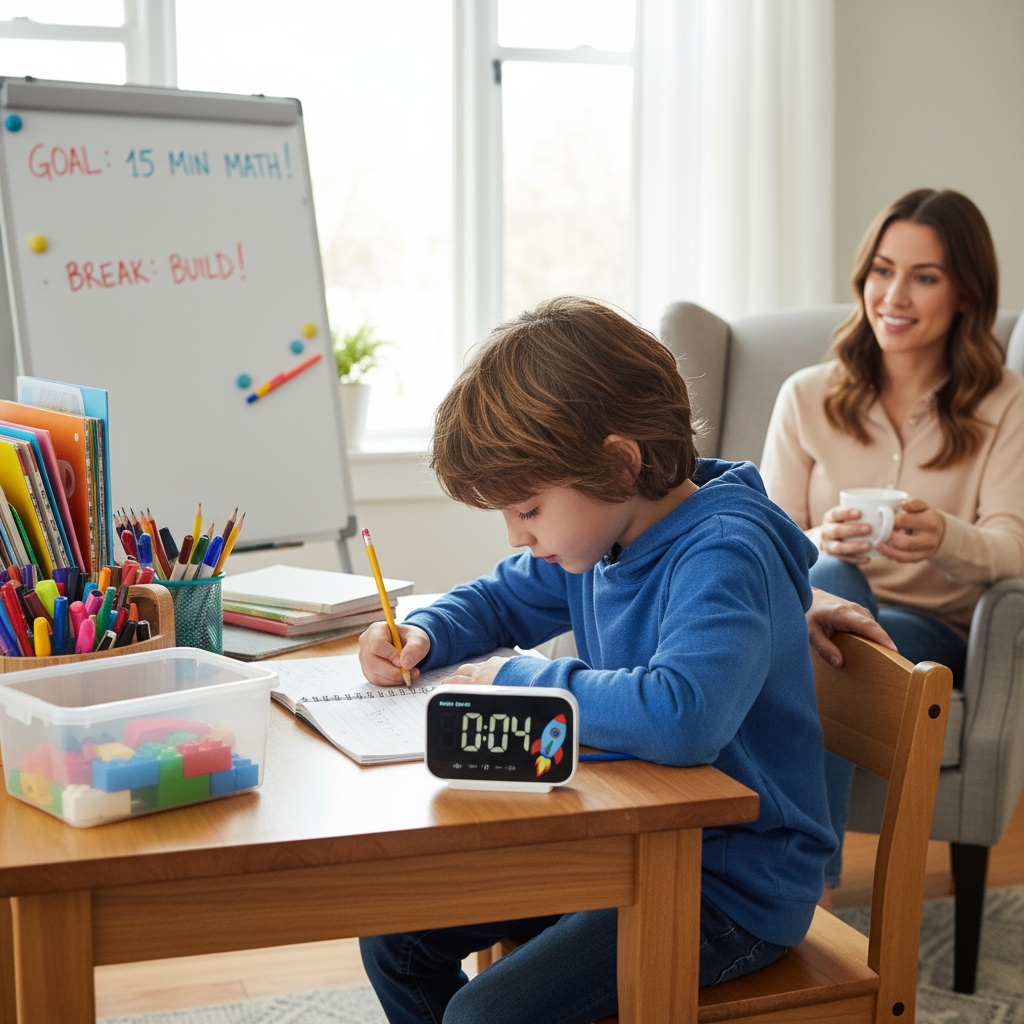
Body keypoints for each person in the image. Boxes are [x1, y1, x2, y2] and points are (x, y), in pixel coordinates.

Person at [357, 295, 852, 1024]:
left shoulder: (723, 550)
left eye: (528, 510)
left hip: (729, 887)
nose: (516, 537)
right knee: (393, 938)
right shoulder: (604, 537)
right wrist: (425, 631)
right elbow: (500, 601)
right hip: (625, 843)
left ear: (620, 463)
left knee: (485, 1015)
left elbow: (684, 714)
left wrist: (516, 681)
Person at [760, 188, 1024, 899]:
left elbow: (1014, 548)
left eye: (924, 276)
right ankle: (796, 883)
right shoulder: (806, 395)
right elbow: (766, 536)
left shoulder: (1005, 404)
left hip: (930, 631)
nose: (894, 294)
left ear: (966, 290)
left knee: (824, 617)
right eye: (882, 270)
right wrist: (820, 538)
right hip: (812, 610)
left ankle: (800, 885)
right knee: (831, 590)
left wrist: (943, 536)